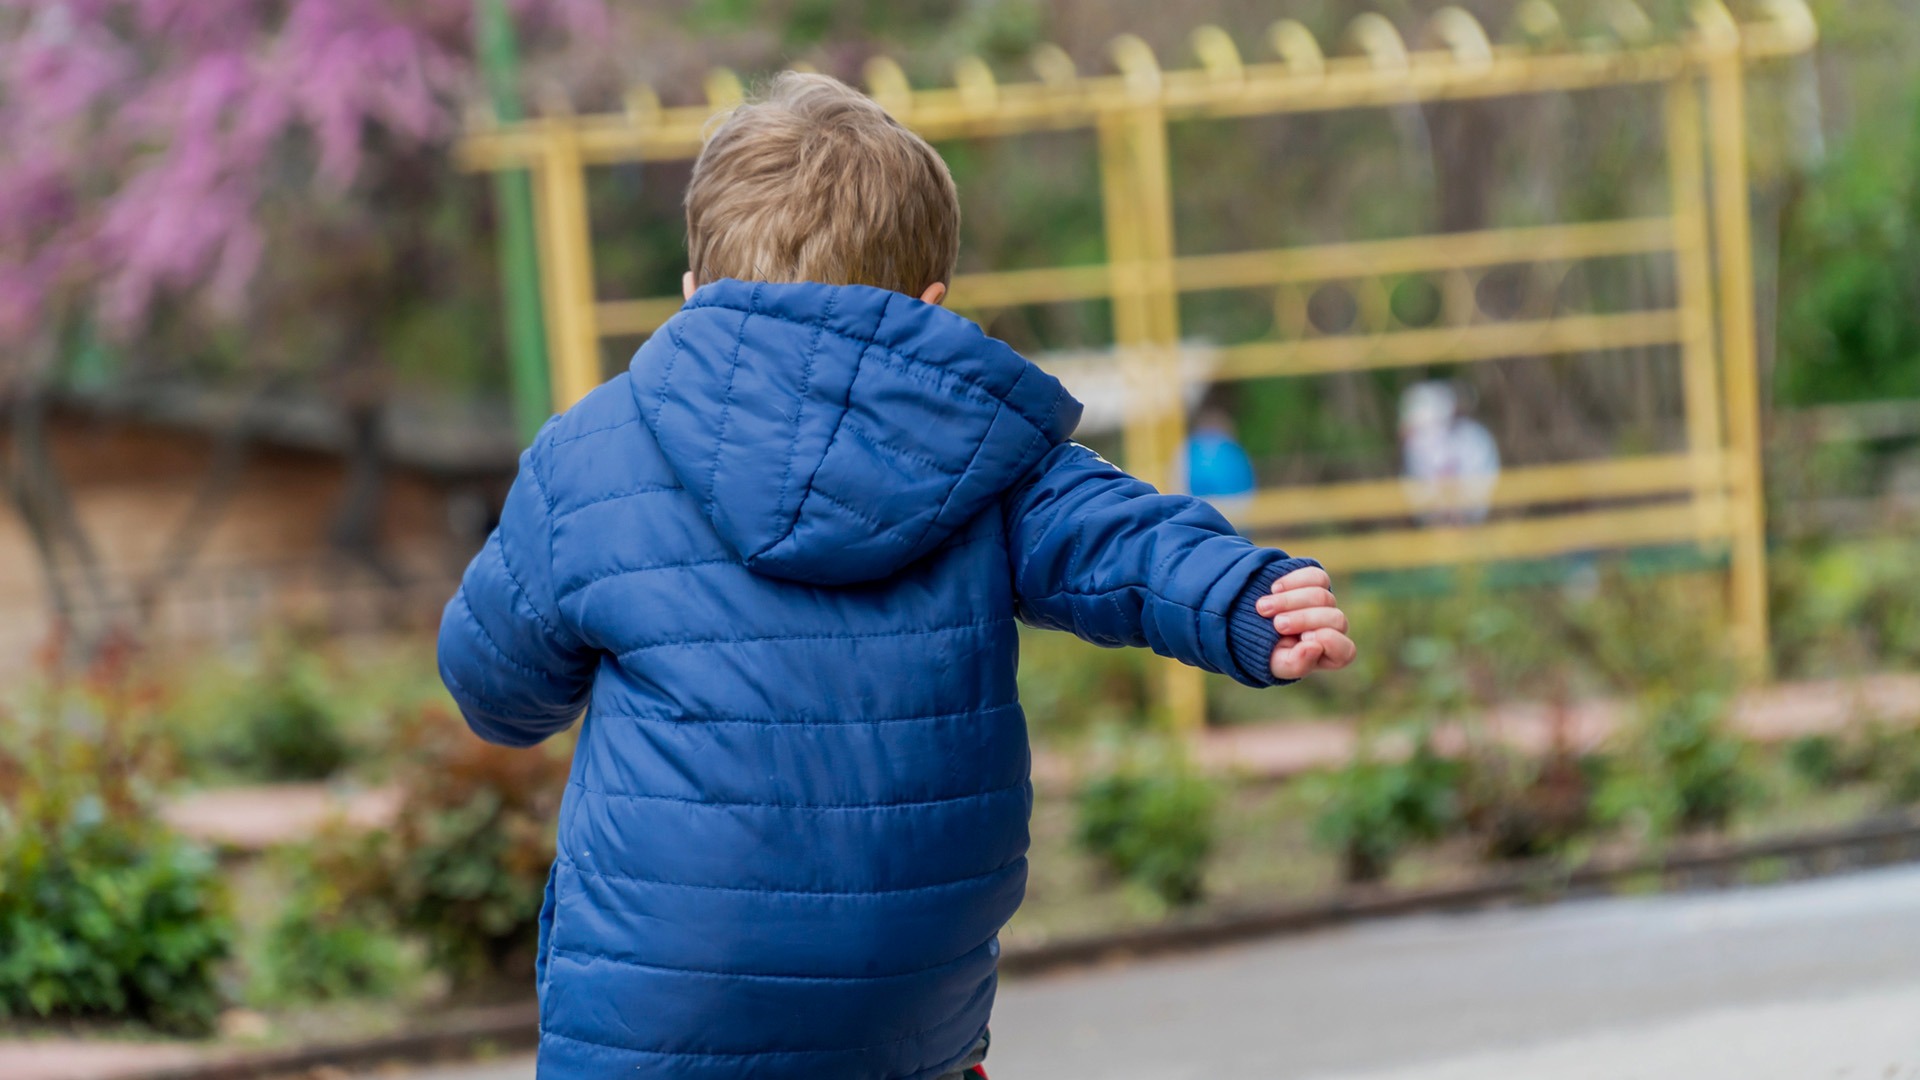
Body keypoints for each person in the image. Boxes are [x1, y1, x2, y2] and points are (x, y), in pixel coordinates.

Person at [437, 72, 1355, 1080]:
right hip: (908, 1001)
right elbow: (1119, 541)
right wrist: (1241, 597)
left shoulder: (591, 456)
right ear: (929, 308)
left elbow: (496, 689)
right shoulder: (983, 452)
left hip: (663, 997)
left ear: (695, 295)